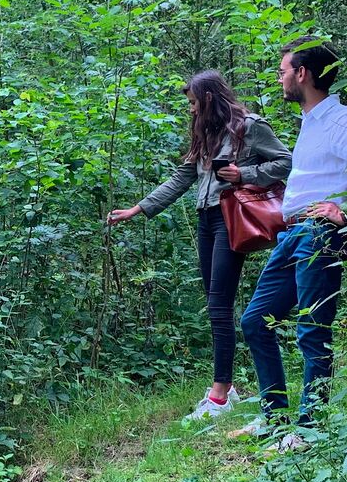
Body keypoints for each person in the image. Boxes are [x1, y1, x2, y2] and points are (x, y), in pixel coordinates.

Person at [107, 71, 291, 421]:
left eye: (193, 103)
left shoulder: (249, 127)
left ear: (207, 98)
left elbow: (286, 161)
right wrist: (139, 208)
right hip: (205, 219)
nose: (190, 110)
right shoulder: (205, 132)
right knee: (214, 303)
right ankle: (228, 387)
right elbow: (183, 176)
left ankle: (220, 396)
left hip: (231, 218)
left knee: (219, 305)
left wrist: (244, 175)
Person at [231, 38, 347, 451]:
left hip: (321, 234)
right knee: (256, 320)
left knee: (313, 330)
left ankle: (309, 430)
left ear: (302, 74)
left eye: (282, 71)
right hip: (294, 232)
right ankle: (275, 420)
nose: (279, 78)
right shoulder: (313, 121)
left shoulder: (342, 121)